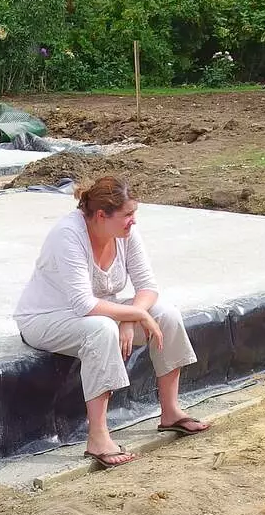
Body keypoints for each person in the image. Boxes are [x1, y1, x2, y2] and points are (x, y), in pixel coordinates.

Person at [14, 176, 209, 469]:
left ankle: (170, 412)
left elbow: (147, 287)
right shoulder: (68, 234)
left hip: (100, 313)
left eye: (134, 214)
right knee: (102, 329)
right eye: (127, 215)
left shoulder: (125, 232)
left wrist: (130, 318)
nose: (132, 222)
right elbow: (84, 304)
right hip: (47, 318)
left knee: (166, 314)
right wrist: (132, 315)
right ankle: (98, 437)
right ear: (101, 216)